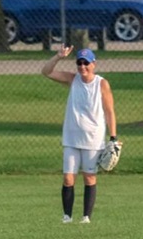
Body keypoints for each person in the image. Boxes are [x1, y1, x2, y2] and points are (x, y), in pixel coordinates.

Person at [41, 46, 118, 224]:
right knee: (68, 178)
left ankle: (86, 217)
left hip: (93, 138)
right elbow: (47, 72)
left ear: (93, 64)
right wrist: (58, 57)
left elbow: (109, 112)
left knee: (89, 176)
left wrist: (113, 137)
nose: (82, 67)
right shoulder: (72, 79)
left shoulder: (101, 84)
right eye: (79, 63)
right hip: (71, 137)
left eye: (86, 63)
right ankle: (67, 216)